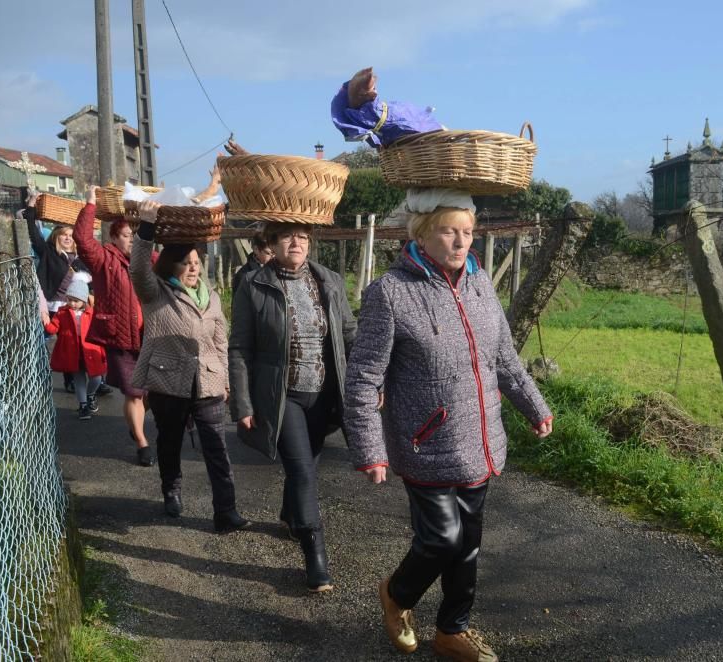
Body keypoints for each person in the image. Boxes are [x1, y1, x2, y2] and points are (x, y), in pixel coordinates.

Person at [343, 189, 553, 662]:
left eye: (467, 232)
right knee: (443, 539)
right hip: (426, 444)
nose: (460, 241)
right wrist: (368, 448)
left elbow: (504, 360)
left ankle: (453, 632)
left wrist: (534, 406)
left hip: (481, 441)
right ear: (422, 232)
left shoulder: (481, 287)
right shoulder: (391, 293)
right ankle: (397, 596)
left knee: (468, 548)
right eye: (448, 230)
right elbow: (363, 378)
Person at [228, 222, 356, 591]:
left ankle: (290, 513)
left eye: (302, 235)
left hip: (325, 394)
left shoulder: (328, 279)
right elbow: (240, 348)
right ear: (271, 243)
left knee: (309, 461)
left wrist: (369, 380)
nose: (296, 242)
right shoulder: (254, 285)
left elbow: (349, 333)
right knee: (303, 472)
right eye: (286, 236)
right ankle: (315, 552)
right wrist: (243, 402)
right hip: (283, 398)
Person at [130, 199, 248, 532]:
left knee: (217, 449)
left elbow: (221, 341)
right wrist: (147, 228)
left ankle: (226, 510)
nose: (194, 268)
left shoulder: (210, 297)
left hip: (207, 384)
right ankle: (172, 489)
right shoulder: (156, 292)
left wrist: (224, 379)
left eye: (196, 262)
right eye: (186, 262)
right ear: (171, 265)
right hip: (168, 383)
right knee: (169, 443)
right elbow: (137, 269)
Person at [73, 186, 155, 466]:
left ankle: (136, 426)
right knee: (133, 392)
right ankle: (143, 443)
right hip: (119, 337)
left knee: (146, 394)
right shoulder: (104, 258)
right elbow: (82, 240)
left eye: (135, 235)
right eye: (126, 235)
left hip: (148, 337)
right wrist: (90, 205)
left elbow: (169, 265)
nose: (132, 240)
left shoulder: (146, 259)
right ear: (113, 237)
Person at [24, 192, 91, 393]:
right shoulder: (48, 253)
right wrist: (31, 206)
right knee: (40, 340)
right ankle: (35, 376)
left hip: (71, 308)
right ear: (56, 236)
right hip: (51, 306)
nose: (68, 239)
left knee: (72, 343)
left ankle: (72, 380)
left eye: (71, 236)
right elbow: (33, 233)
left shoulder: (80, 260)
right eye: (64, 235)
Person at [44, 274, 107, 420]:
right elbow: (53, 329)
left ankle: (90, 395)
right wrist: (47, 322)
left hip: (90, 349)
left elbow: (100, 329)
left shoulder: (92, 312)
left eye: (76, 301)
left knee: (96, 378)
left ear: (84, 300)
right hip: (72, 350)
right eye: (69, 299)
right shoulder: (62, 312)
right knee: (78, 378)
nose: (72, 303)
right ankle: (83, 405)